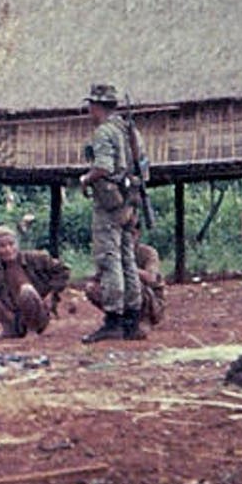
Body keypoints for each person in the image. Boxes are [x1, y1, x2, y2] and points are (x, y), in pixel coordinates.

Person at [78, 83, 147, 343]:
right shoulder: (131, 132)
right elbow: (143, 166)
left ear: (97, 106)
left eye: (90, 106)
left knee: (109, 259)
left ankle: (113, 318)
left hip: (110, 203)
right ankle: (133, 318)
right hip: (130, 202)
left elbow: (104, 168)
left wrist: (85, 178)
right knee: (127, 258)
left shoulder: (104, 132)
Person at [84, 242, 166, 334]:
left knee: (133, 284)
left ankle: (143, 320)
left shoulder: (148, 252)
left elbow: (150, 278)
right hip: (126, 293)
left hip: (151, 301)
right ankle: (117, 319)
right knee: (93, 288)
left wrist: (126, 268)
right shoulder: (114, 252)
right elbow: (99, 277)